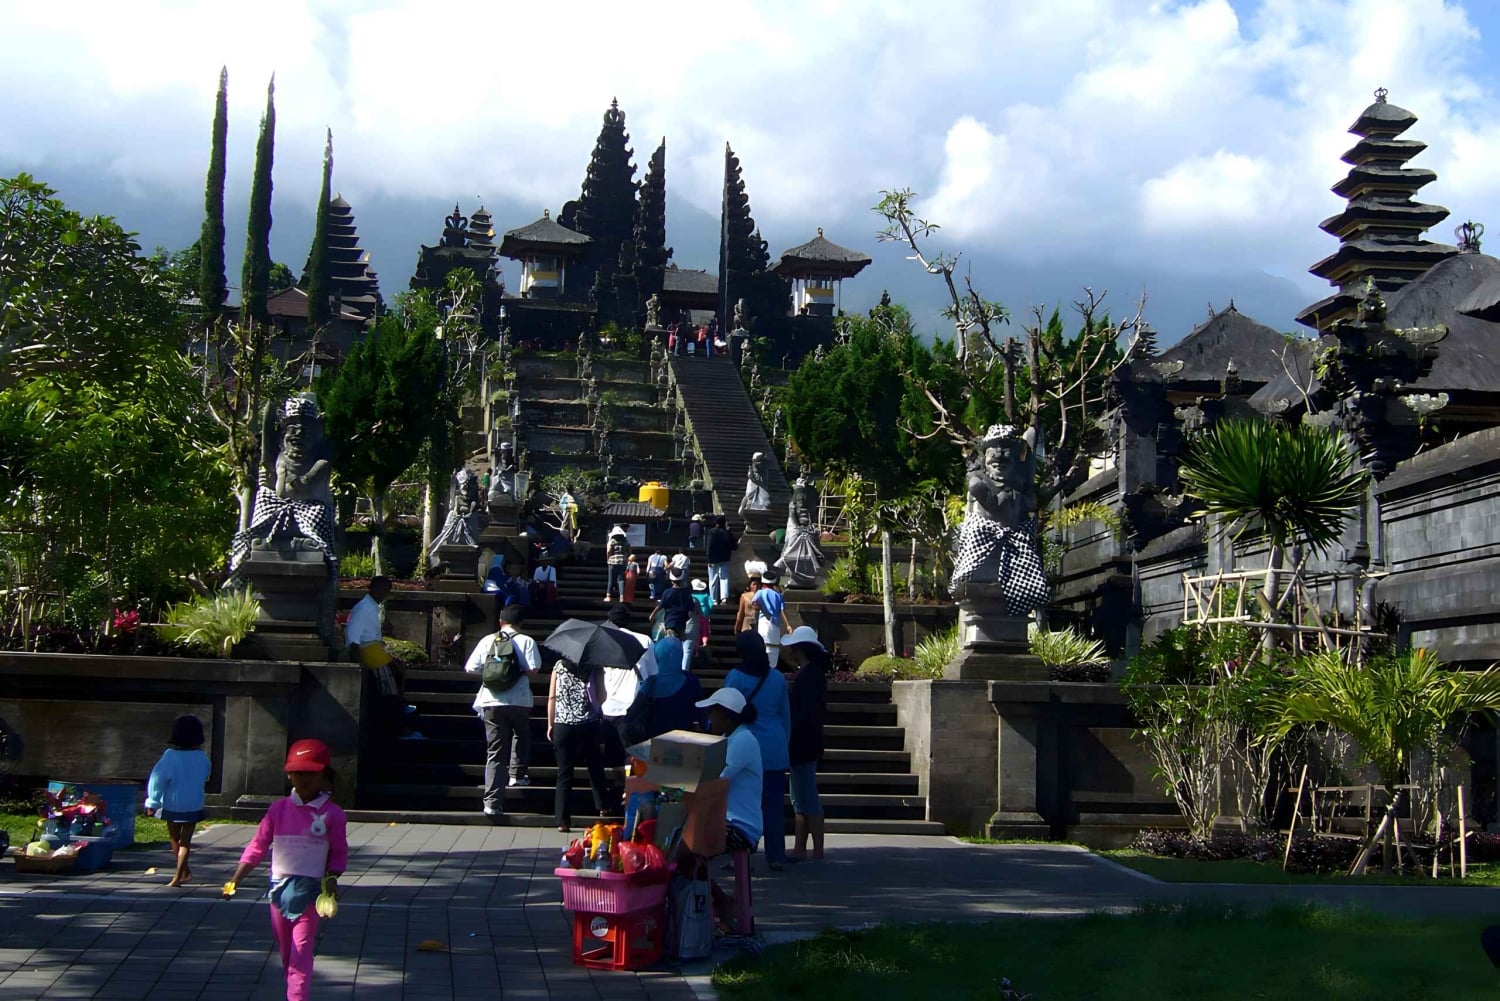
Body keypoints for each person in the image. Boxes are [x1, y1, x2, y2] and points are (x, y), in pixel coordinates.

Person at [227, 739, 348, 1001]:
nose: (303, 779)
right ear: (289, 774)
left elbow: (338, 852)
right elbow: (258, 846)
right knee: (287, 953)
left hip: (311, 894)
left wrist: (333, 878)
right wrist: (236, 878)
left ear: (324, 775)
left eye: (311, 774)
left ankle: (297, 996)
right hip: (279, 893)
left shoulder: (333, 814)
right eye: (297, 773)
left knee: (301, 950)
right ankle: (293, 990)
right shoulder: (278, 810)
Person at [724, 631, 793, 870]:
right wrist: (785, 744)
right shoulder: (776, 678)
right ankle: (776, 855)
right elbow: (785, 716)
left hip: (744, 748)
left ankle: (740, 858)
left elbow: (726, 711)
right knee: (773, 806)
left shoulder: (735, 677)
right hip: (774, 748)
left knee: (740, 805)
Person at [464, 605, 540, 817]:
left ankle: (492, 803)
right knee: (521, 733)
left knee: (495, 751)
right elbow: (534, 669)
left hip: (491, 700)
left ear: (500, 621)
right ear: (521, 622)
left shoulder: (488, 640)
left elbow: (470, 668)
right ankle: (517, 773)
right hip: (519, 700)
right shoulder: (527, 641)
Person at [344, 576, 421, 740]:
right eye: (383, 590)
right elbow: (353, 639)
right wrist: (359, 663)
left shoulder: (371, 607)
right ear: (374, 589)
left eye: (387, 591)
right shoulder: (364, 608)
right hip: (367, 649)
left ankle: (401, 705)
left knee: (399, 670)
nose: (385, 594)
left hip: (374, 648)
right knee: (389, 685)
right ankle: (397, 719)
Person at [144, 714, 212, 887]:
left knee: (175, 838)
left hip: (173, 804)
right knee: (186, 842)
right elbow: (206, 775)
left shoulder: (170, 756)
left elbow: (157, 779)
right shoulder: (202, 758)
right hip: (194, 804)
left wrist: (153, 802)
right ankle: (182, 872)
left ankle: (179, 875)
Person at [782, 626, 831, 861]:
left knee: (807, 796)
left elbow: (806, 712)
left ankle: (816, 849)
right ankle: (801, 846)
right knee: (799, 796)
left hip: (804, 741)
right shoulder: (810, 673)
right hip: (804, 741)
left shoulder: (809, 676)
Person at [695, 686, 763, 855]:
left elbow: (715, 778)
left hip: (740, 827)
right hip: (725, 821)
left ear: (723, 714)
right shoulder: (728, 738)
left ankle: (699, 880)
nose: (708, 717)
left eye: (710, 712)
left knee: (683, 842)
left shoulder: (743, 740)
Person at [548, 657, 611, 832]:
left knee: (564, 771)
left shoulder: (558, 665)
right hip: (587, 723)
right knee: (594, 765)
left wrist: (550, 723)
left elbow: (552, 697)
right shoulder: (594, 665)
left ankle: (562, 820)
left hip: (562, 724)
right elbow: (601, 696)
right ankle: (602, 806)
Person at [600, 605, 658, 772]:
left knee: (613, 756)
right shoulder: (644, 640)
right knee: (635, 754)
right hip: (634, 707)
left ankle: (618, 788)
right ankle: (630, 789)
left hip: (608, 707)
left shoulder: (602, 642)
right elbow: (653, 673)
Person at [630, 634, 705, 739]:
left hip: (654, 744)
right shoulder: (691, 680)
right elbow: (700, 712)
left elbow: (631, 718)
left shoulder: (650, 683)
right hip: (683, 741)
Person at [752, 570, 792, 668]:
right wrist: (788, 625)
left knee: (763, 646)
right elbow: (782, 611)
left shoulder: (760, 592)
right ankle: (772, 668)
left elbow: (755, 604)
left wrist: (764, 610)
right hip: (776, 624)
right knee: (774, 648)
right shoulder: (778, 595)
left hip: (763, 622)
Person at [706, 516, 737, 605]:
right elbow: (734, 546)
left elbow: (709, 545)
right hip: (725, 558)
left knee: (713, 579)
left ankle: (714, 599)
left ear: (716, 523)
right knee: (724, 578)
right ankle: (724, 598)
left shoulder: (713, 532)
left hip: (714, 559)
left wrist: (709, 558)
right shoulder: (727, 533)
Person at [733, 567, 764, 635]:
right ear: (750, 585)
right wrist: (737, 625)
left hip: (759, 624)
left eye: (757, 585)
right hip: (746, 623)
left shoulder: (763, 596)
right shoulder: (744, 596)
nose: (755, 587)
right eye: (754, 584)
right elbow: (740, 613)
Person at [604, 525, 628, 602]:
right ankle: (622, 597)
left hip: (612, 561)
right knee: (621, 579)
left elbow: (608, 551)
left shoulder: (611, 541)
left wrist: (608, 559)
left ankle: (608, 596)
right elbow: (629, 550)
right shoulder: (625, 541)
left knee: (611, 579)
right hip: (622, 561)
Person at [691, 578, 714, 650]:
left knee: (697, 630)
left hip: (695, 615)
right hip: (705, 614)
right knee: (705, 630)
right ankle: (705, 643)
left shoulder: (692, 596)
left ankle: (696, 645)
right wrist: (710, 612)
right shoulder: (706, 595)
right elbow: (711, 605)